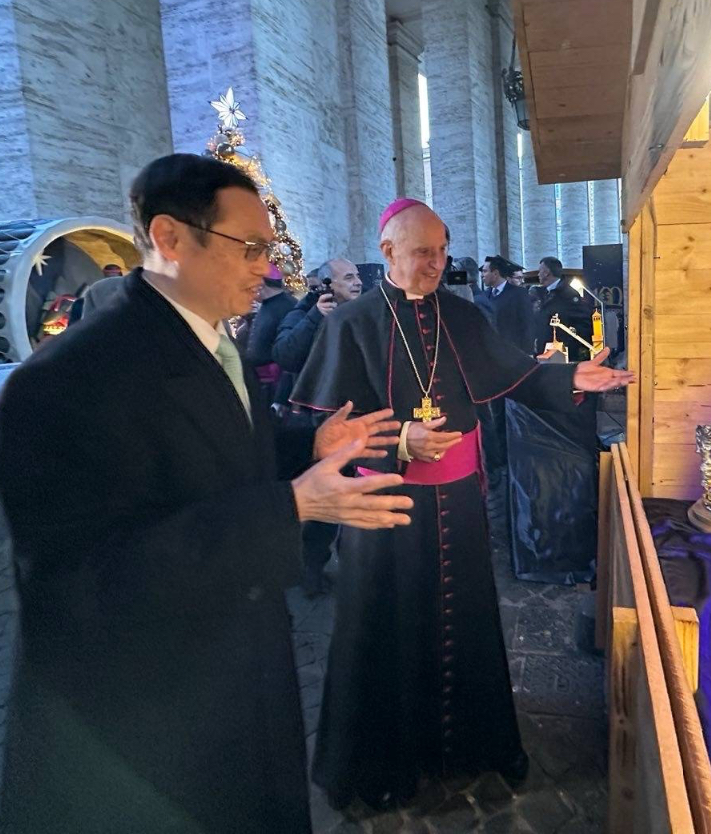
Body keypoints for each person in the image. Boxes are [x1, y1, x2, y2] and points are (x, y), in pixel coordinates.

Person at [0, 153, 413, 834]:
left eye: (268, 250)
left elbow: (223, 449)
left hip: (238, 669)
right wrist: (292, 507)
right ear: (170, 237)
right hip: (147, 727)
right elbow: (85, 578)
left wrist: (309, 445)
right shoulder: (64, 383)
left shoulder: (210, 342)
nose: (265, 269)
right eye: (249, 247)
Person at [291, 197, 634, 810]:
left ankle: (473, 746)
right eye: (424, 252)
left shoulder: (461, 313)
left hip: (458, 502)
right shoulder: (351, 324)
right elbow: (327, 433)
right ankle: (384, 766)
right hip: (382, 502)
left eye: (443, 251)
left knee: (465, 619)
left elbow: (516, 374)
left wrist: (571, 377)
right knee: (384, 627)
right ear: (388, 251)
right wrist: (402, 439)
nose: (438, 264)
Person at [271, 257, 364, 594]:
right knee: (326, 504)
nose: (357, 282)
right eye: (348, 277)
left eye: (357, 276)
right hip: (320, 426)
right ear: (327, 285)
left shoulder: (363, 312)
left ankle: (356, 566)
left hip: (359, 420)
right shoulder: (303, 313)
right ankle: (312, 570)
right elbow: (284, 355)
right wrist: (315, 317)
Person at [245, 262, 297, 398]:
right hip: (261, 381)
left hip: (276, 382)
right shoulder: (266, 304)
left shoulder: (289, 306)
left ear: (261, 282)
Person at [534, 256, 594, 360]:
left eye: (540, 271)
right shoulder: (543, 294)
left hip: (561, 354)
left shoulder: (568, 294)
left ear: (547, 272)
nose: (538, 274)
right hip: (544, 352)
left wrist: (569, 344)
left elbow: (583, 322)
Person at [477, 255, 533, 354]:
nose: (482, 275)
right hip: (489, 352)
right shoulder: (484, 295)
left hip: (512, 352)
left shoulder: (519, 294)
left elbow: (527, 324)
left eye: (485, 271)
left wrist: (528, 352)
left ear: (495, 273)